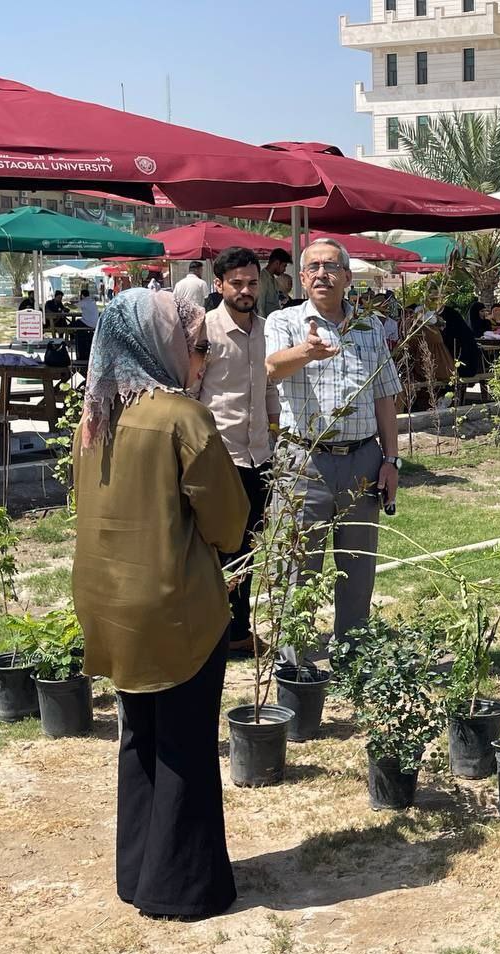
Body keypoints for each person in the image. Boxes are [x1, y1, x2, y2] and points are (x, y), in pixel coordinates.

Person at [72, 288, 249, 920]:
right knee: (185, 743)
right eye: (190, 341)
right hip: (175, 605)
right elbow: (230, 519)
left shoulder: (94, 417)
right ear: (159, 343)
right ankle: (180, 885)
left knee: (138, 736)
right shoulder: (179, 417)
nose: (195, 354)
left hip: (107, 604)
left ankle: (138, 869)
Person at [265, 239, 402, 656]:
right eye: (313, 267)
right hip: (303, 463)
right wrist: (308, 351)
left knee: (358, 568)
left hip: (362, 459)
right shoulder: (284, 321)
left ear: (346, 276)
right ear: (302, 278)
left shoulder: (370, 327)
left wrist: (391, 460)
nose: (322, 273)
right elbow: (272, 367)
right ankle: (294, 665)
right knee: (296, 569)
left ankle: (353, 659)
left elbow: (385, 396)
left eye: (330, 266)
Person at [198, 247, 279, 661]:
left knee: (248, 545)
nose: (246, 291)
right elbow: (191, 393)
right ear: (219, 285)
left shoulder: (269, 331)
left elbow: (269, 391)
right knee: (218, 547)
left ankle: (238, 631)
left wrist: (276, 436)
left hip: (259, 457)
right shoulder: (202, 331)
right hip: (220, 457)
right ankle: (213, 632)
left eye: (252, 283)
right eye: (237, 283)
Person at [440, 300, 485, 378]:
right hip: (460, 357)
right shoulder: (450, 314)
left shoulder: (450, 315)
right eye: (482, 311)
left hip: (460, 360)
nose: (484, 313)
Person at [259, 248, 291, 319]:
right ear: (277, 263)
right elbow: (260, 306)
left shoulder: (273, 280)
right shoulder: (262, 279)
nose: (285, 270)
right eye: (284, 266)